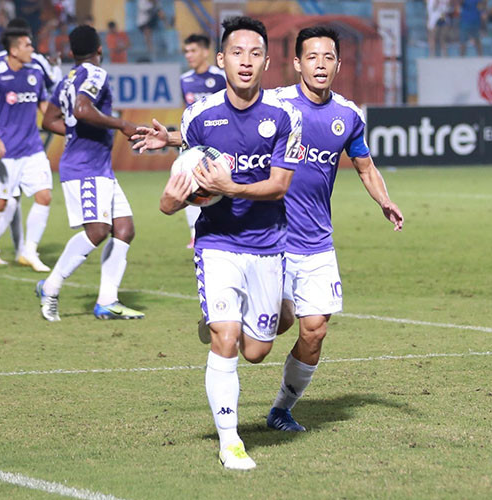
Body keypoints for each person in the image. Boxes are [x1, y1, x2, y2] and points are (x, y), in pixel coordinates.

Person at [135, 16, 302, 470]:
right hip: (217, 242)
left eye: (255, 53)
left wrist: (231, 187)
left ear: (266, 61)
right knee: (227, 339)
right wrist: (172, 200)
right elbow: (178, 190)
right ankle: (230, 442)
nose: (246, 61)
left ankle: (222, 320)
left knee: (257, 351)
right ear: (222, 59)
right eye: (238, 53)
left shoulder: (284, 116)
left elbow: (280, 186)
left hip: (267, 244)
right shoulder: (198, 116)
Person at [264, 26, 404, 432]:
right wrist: (175, 137)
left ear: (339, 65)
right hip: (272, 238)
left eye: (328, 58)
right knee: (278, 324)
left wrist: (384, 200)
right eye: (312, 57)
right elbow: (228, 130)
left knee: (315, 330)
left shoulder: (347, 115)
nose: (321, 65)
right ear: (297, 63)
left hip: (317, 242)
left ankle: (281, 410)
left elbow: (366, 166)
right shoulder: (275, 104)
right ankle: (229, 324)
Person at [37, 24, 144, 322]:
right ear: (100, 49)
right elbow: (82, 110)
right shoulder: (96, 73)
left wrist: (74, 132)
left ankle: (107, 301)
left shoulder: (67, 79)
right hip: (85, 167)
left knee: (124, 229)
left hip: (97, 166)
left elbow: (49, 121)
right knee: (97, 231)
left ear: (72, 53)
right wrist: (122, 124)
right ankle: (50, 287)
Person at [0, 17, 62, 269]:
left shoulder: (35, 71)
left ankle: (29, 250)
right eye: (27, 45)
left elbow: (43, 104)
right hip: (7, 152)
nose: (32, 49)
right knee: (1, 204)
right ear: (14, 50)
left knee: (44, 196)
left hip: (33, 148)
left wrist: (61, 123)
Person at [179, 33, 226, 248]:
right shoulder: (185, 79)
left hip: (217, 142)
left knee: (217, 186)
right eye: (186, 51)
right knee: (190, 184)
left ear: (206, 52)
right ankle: (194, 233)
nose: (189, 55)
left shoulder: (220, 77)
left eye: (193, 50)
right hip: (192, 143)